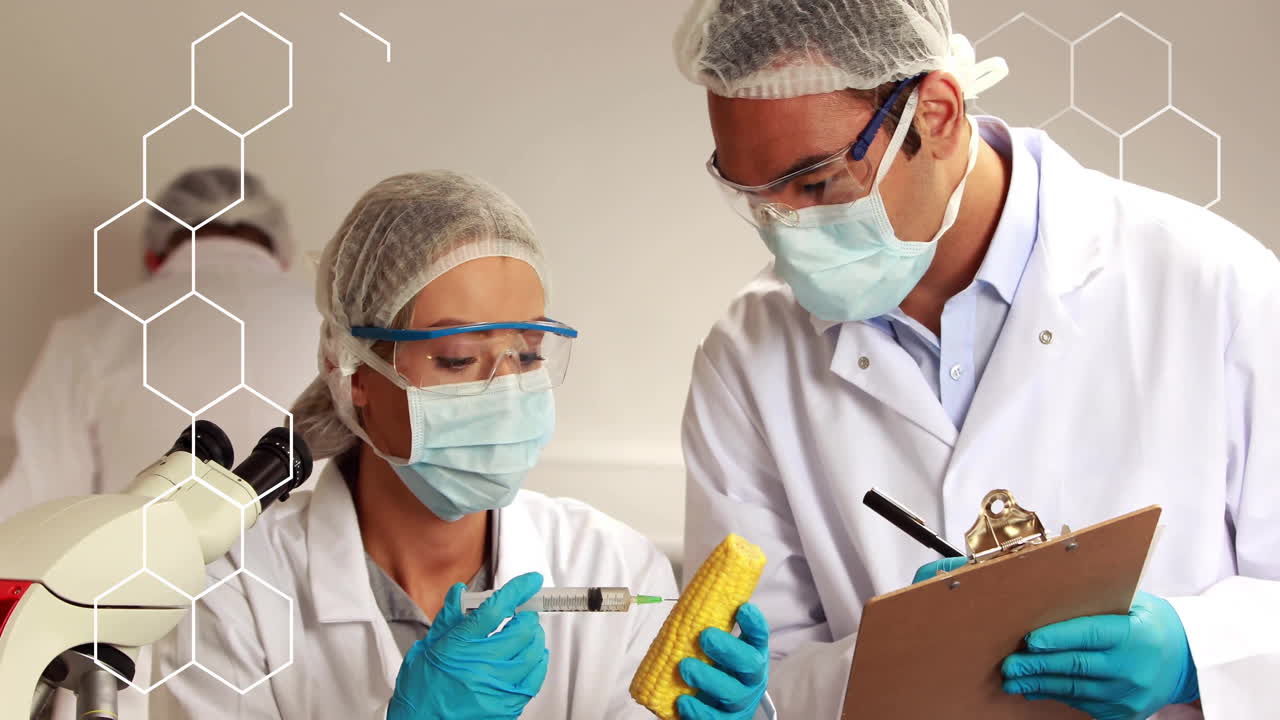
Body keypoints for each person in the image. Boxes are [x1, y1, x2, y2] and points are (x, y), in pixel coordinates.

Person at [673, 1, 1278, 718]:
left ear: (936, 112)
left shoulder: (1216, 285)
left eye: (815, 185)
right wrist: (908, 649)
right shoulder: (747, 354)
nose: (789, 234)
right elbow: (765, 673)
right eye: (758, 199)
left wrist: (1198, 653)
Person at [149, 171, 772, 719]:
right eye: (456, 358)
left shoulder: (610, 564)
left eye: (527, 355)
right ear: (355, 371)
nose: (506, 392)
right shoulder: (237, 589)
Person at [1, 166, 319, 720]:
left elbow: (33, 522)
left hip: (120, 677)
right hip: (308, 665)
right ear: (281, 249)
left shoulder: (90, 336)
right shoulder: (332, 330)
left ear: (154, 254)